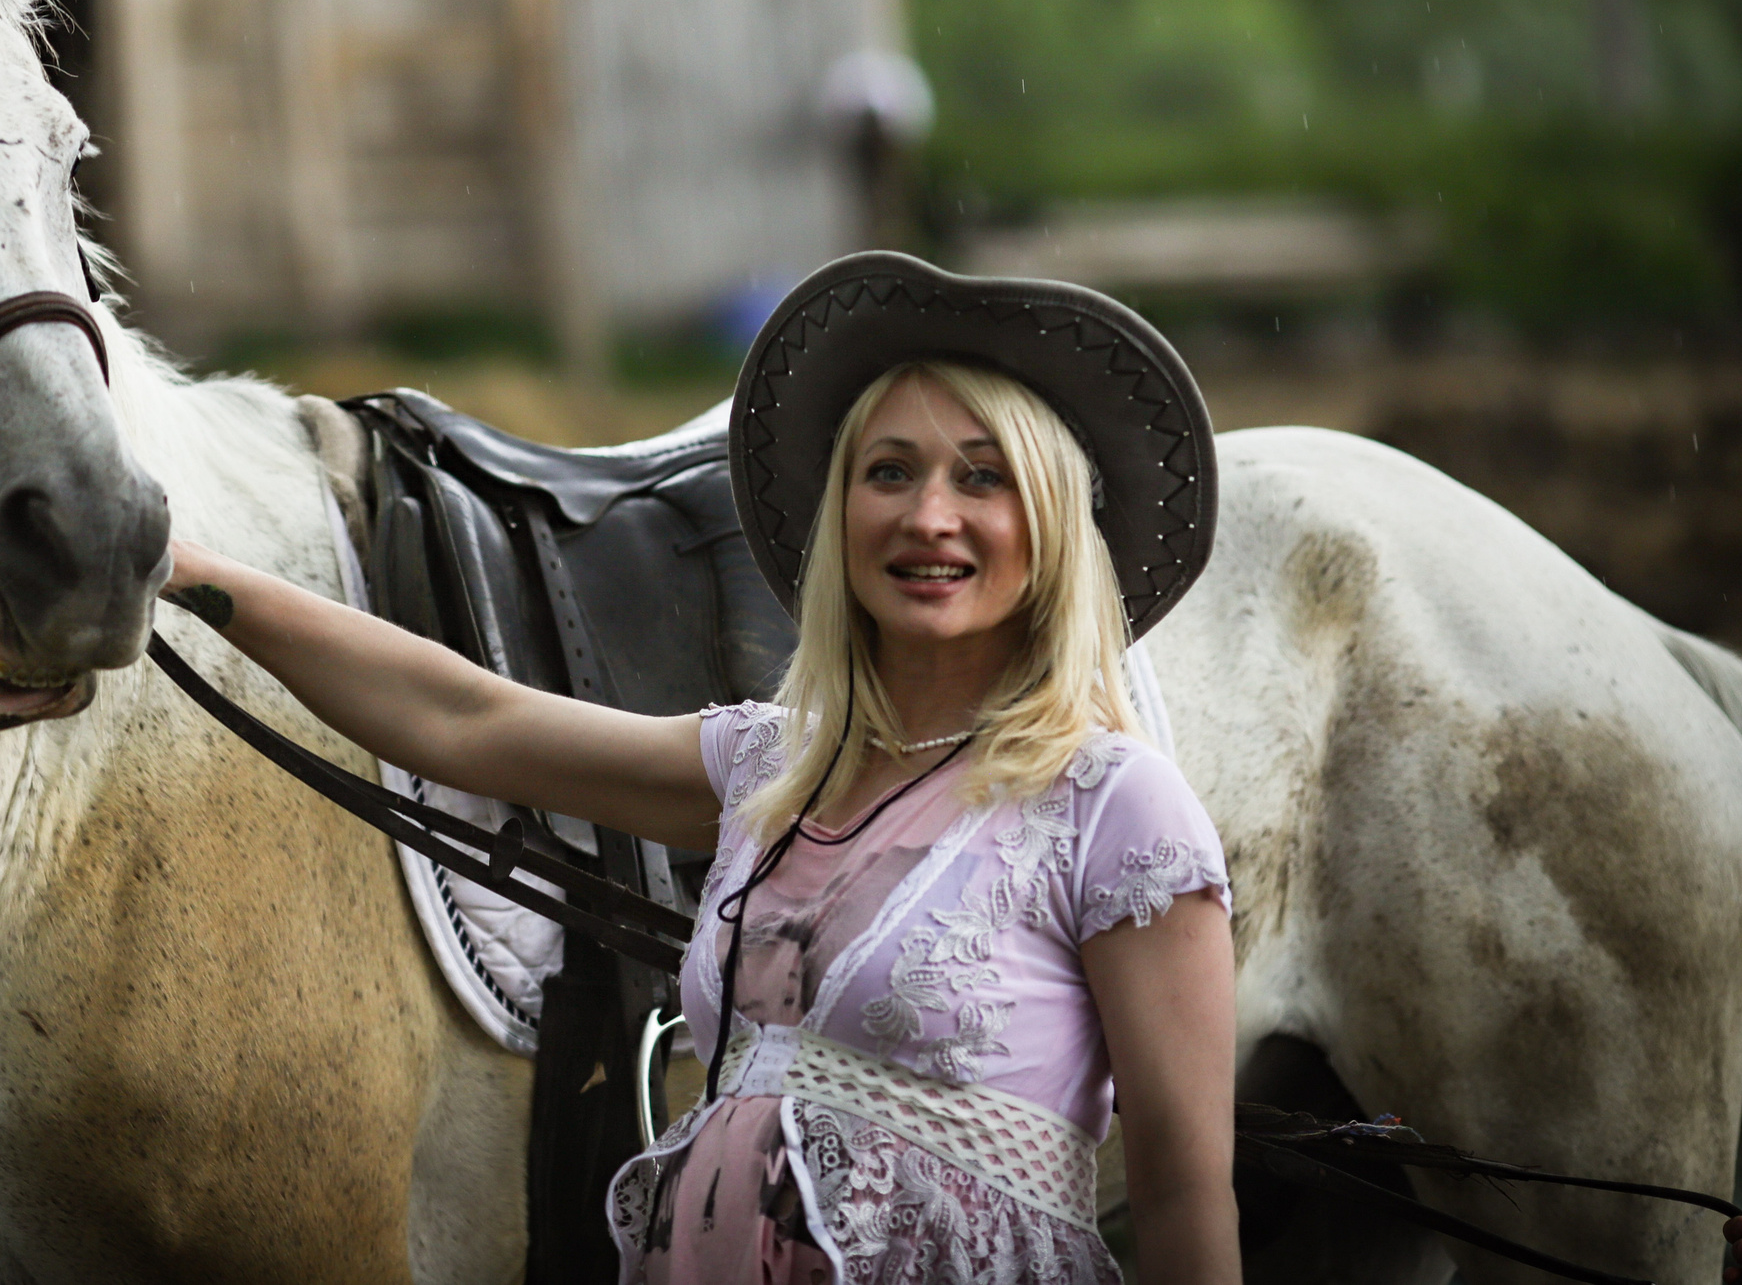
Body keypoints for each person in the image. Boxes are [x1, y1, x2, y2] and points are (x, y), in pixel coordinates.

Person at [163, 253, 1239, 1283]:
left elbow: (1183, 1199)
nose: (927, 515)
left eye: (982, 477)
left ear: (1050, 524)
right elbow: (462, 719)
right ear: (841, 514)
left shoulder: (1113, 809)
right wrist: (197, 575)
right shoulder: (771, 767)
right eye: (888, 472)